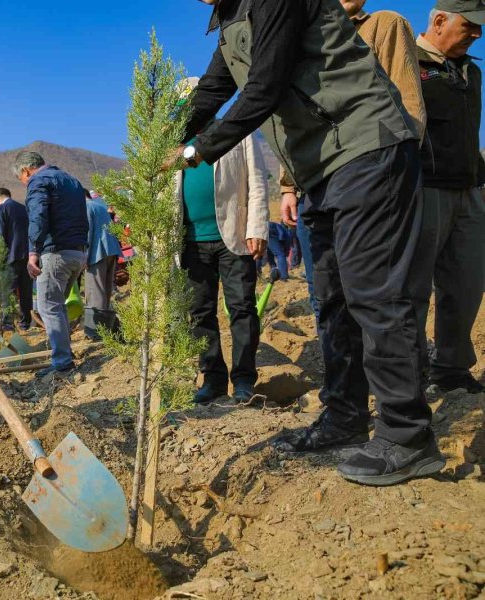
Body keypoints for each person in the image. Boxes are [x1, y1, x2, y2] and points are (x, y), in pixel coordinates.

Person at [180, 0, 441, 486]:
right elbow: (213, 89)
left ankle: (407, 435)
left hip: (364, 144)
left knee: (375, 294)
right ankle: (345, 417)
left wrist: (196, 151)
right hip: (317, 165)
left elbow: (265, 86)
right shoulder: (230, 19)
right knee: (332, 300)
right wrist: (162, 139)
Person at [280, 0, 428, 330]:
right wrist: (288, 186)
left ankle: (388, 378)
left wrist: (398, 166)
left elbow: (409, 105)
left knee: (376, 291)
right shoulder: (295, 36)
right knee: (325, 293)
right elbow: (291, 119)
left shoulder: (382, 26)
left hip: (370, 172)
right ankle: (343, 381)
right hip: (312, 181)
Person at [409, 1, 485, 395]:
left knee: (467, 284)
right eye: (470, 27)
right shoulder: (406, 60)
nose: (477, 35)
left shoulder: (473, 71)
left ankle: (452, 369)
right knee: (415, 287)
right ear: (439, 20)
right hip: (425, 189)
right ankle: (412, 371)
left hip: (470, 192)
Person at [178, 127, 269, 404]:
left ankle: (243, 379)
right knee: (199, 312)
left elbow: (257, 180)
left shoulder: (236, 131)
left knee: (242, 307)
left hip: (234, 234)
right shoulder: (174, 142)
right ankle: (213, 379)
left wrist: (258, 227)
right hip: (190, 240)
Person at [15, 151, 88, 377]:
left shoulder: (39, 181)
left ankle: (62, 363)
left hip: (55, 253)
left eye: (21, 179)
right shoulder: (71, 180)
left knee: (49, 307)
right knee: (59, 307)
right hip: (77, 252)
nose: (24, 182)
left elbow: (38, 216)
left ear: (25, 171)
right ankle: (64, 355)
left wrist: (33, 251)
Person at [83, 191, 123, 341]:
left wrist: (84, 257)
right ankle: (110, 327)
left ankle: (97, 332)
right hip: (111, 249)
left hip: (97, 252)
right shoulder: (100, 206)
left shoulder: (86, 207)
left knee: (96, 291)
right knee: (106, 290)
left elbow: (87, 233)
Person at [0, 187, 32, 330]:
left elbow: (0, 236)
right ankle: (26, 322)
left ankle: (8, 324)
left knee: (7, 291)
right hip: (28, 256)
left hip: (10, 257)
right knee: (26, 290)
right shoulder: (24, 208)